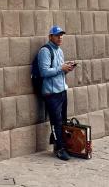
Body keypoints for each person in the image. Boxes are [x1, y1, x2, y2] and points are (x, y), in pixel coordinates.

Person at [38, 25, 77, 161]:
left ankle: (59, 144)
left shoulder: (59, 51)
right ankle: (60, 149)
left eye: (61, 35)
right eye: (57, 35)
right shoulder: (45, 51)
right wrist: (61, 68)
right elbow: (44, 72)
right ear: (50, 37)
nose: (60, 37)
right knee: (56, 122)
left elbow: (59, 70)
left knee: (63, 121)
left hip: (62, 90)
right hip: (51, 93)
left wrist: (67, 68)